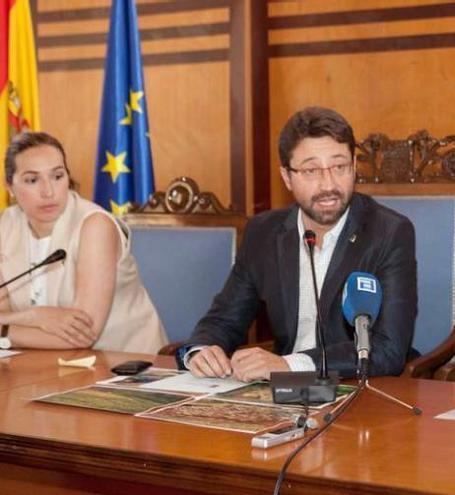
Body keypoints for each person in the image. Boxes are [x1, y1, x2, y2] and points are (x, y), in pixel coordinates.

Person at [180, 106, 417, 382]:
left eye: (339, 167)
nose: (328, 184)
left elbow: (388, 348)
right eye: (311, 170)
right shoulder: (263, 232)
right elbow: (224, 319)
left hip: (357, 389)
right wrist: (202, 351)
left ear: (354, 166)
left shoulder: (389, 232)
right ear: (287, 177)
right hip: (279, 395)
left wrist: (289, 365)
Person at [0, 132, 167, 353]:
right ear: (9, 187)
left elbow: (81, 335)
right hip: (44, 366)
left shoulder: (95, 225)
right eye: (32, 180)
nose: (48, 191)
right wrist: (37, 316)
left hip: (126, 366)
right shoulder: (6, 225)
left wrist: (6, 331)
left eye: (57, 176)